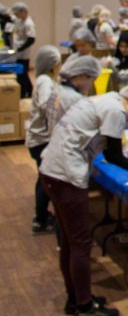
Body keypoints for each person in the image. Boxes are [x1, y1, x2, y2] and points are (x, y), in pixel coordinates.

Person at [41, 85, 128, 316]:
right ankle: (85, 307)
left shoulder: (106, 99)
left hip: (52, 171)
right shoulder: (116, 111)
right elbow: (113, 155)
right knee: (81, 244)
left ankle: (77, 299)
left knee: (71, 243)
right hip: (65, 176)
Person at [25, 46, 63, 234]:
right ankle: (40, 220)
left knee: (42, 178)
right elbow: (47, 105)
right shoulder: (44, 82)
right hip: (41, 140)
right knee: (45, 180)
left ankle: (41, 215)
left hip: (39, 138)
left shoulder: (46, 80)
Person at [10, 2, 36, 97]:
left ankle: (24, 92)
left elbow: (31, 39)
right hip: (19, 50)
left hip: (24, 52)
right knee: (22, 73)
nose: (16, 15)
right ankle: (28, 90)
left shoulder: (29, 23)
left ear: (23, 12)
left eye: (17, 13)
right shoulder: (21, 20)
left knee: (22, 74)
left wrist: (20, 49)